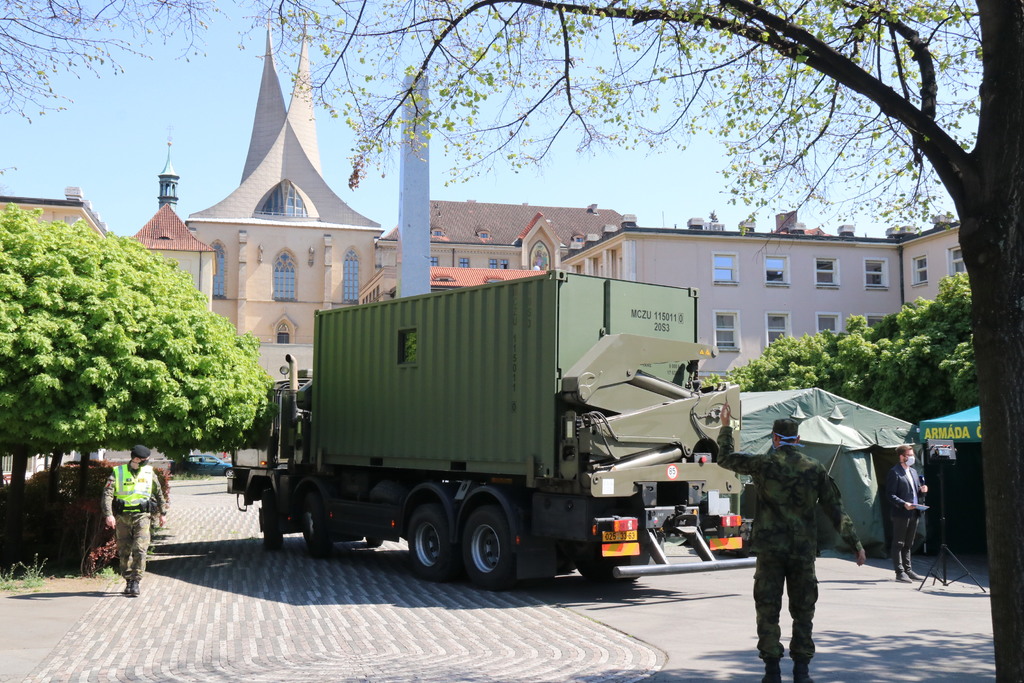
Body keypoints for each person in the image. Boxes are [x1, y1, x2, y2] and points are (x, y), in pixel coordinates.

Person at [716, 403, 866, 683]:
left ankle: (772, 672)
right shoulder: (814, 468)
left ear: (775, 438)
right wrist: (855, 543)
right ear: (798, 439)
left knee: (767, 609)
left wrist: (726, 426)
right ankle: (801, 672)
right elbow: (835, 508)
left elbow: (724, 458)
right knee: (803, 610)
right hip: (802, 551)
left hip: (770, 551)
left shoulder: (762, 464)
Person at [101, 445, 167, 597]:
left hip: (142, 516)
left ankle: (136, 581)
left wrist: (163, 513)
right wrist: (109, 514)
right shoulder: (118, 472)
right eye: (144, 459)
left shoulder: (149, 472)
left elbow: (159, 493)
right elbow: (107, 494)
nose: (147, 461)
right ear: (136, 459)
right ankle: (128, 580)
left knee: (140, 549)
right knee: (124, 551)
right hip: (123, 517)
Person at [885, 444, 928, 583]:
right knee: (899, 542)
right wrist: (904, 504)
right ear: (901, 457)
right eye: (909, 455)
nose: (912, 458)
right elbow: (890, 494)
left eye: (912, 455)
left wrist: (922, 491)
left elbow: (915, 492)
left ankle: (908, 570)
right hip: (901, 513)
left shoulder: (913, 472)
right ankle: (899, 572)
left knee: (909, 543)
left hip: (914, 511)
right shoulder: (895, 472)